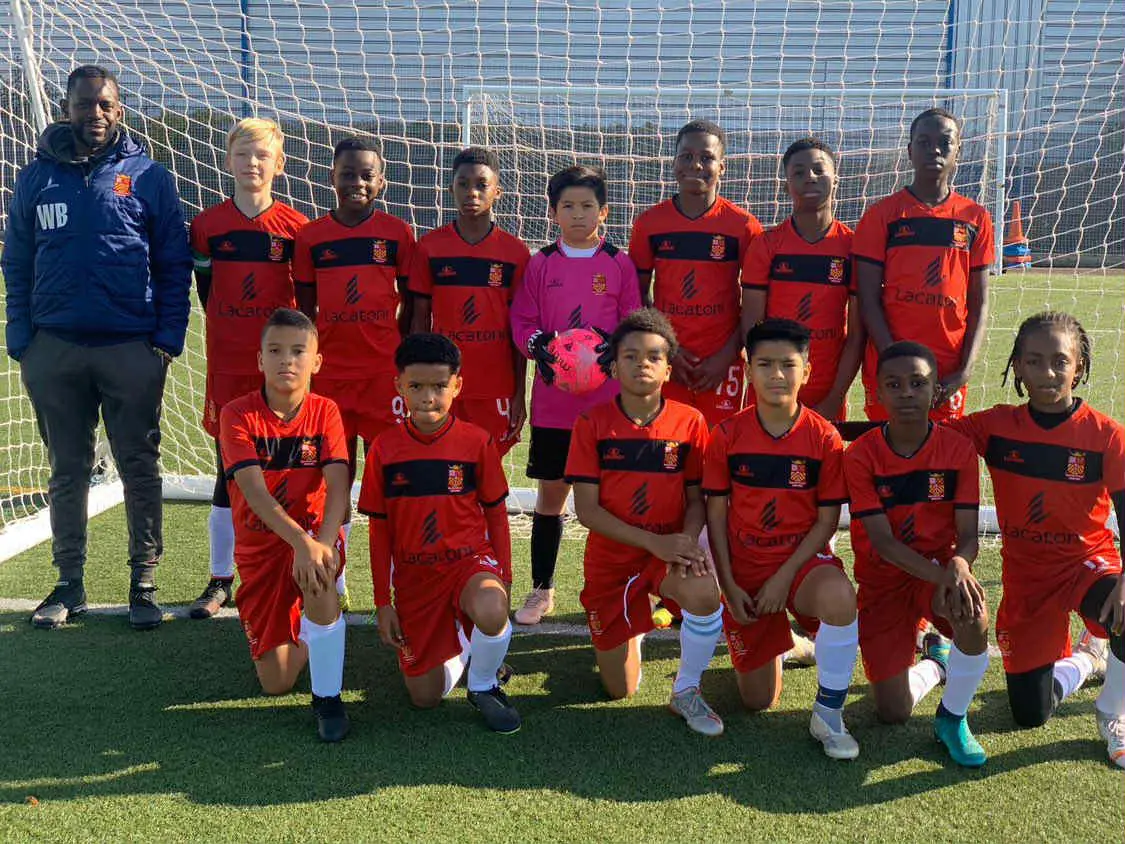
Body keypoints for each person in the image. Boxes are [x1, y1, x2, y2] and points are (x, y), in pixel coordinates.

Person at [3, 65, 192, 631]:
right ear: (67, 108)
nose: (96, 114)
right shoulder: (36, 178)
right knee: (67, 468)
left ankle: (143, 583)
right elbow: (16, 261)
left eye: (106, 104)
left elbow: (174, 264)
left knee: (139, 465)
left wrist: (165, 342)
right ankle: (69, 584)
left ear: (120, 111)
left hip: (130, 347)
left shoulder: (149, 176)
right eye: (86, 104)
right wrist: (23, 343)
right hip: (55, 349)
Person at [948, 312, 1124, 768]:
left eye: (1060, 361)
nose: (1048, 373)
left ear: (1079, 367)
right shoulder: (994, 427)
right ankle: (1088, 657)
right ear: (1018, 367)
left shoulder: (1107, 437)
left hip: (1087, 566)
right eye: (1035, 361)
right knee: (1029, 715)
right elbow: (921, 441)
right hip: (1027, 581)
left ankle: (1114, 713)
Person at [704, 319, 860, 759]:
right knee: (757, 702)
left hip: (801, 564)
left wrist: (783, 577)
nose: (776, 375)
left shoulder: (824, 437)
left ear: (807, 371)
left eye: (788, 365)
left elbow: (826, 522)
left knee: (841, 600)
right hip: (746, 569)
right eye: (765, 365)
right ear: (748, 369)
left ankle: (828, 716)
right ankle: (785, 643)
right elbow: (716, 517)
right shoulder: (727, 436)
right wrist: (728, 586)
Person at [565, 309, 725, 734]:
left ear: (668, 368)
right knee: (619, 690)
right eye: (631, 356)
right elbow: (587, 511)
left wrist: (686, 542)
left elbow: (697, 500)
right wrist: (653, 543)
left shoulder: (690, 422)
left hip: (668, 553)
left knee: (706, 594)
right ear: (614, 366)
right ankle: (632, 626)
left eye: (653, 356)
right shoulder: (591, 423)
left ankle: (686, 690)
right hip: (612, 561)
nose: (642, 364)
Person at [358, 333, 520, 733]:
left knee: (491, 606)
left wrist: (505, 578)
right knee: (424, 698)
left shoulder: (476, 441)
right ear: (399, 386)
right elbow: (378, 531)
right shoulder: (383, 448)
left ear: (457, 386)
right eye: (416, 386)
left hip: (468, 563)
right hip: (415, 577)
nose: (428, 396)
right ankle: (468, 649)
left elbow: (496, 514)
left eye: (439, 386)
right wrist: (383, 601)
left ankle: (483, 685)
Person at [845, 341, 990, 767]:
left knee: (975, 614)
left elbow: (968, 536)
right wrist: (944, 574)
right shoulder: (861, 455)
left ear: (935, 391)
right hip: (884, 582)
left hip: (937, 575)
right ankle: (936, 665)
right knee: (892, 713)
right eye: (895, 384)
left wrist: (960, 565)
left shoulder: (959, 451)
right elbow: (884, 544)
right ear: (877, 392)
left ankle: (953, 718)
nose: (907, 392)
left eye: (918, 383)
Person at [508, 165, 642, 625]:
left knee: (612, 500)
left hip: (607, 405)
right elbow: (522, 322)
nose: (579, 214)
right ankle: (541, 589)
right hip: (554, 405)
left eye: (588, 206)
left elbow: (633, 321)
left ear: (604, 212)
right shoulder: (541, 262)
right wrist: (539, 346)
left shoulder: (618, 263)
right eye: (569, 206)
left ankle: (615, 589)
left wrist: (610, 350)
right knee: (551, 497)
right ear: (553, 213)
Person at [188, 117, 309, 620]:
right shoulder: (207, 226)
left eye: (262, 156)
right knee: (228, 471)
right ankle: (220, 578)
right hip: (229, 367)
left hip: (279, 371)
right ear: (228, 161)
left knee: (288, 467)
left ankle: (294, 564)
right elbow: (206, 291)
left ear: (279, 165)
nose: (252, 164)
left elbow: (300, 303)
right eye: (243, 155)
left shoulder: (296, 228)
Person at [292, 137, 416, 608]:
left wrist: (396, 354)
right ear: (332, 178)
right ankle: (333, 573)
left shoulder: (398, 234)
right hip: (331, 382)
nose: (357, 183)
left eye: (367, 175)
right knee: (332, 482)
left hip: (384, 379)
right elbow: (304, 311)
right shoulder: (311, 238)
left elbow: (412, 306)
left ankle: (401, 577)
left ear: (381, 181)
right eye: (348, 173)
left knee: (393, 482)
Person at [219, 308, 350, 741]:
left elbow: (337, 483)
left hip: (312, 540)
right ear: (259, 360)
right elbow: (254, 493)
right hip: (262, 548)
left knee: (317, 574)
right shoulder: (236, 414)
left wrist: (324, 544)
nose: (286, 360)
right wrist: (299, 542)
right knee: (275, 682)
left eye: (298, 351)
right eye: (275, 351)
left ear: (316, 361)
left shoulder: (326, 411)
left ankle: (328, 699)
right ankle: (315, 624)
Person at [853, 107, 993, 423]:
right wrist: (893, 360)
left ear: (959, 149)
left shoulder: (976, 218)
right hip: (889, 365)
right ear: (910, 151)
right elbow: (868, 299)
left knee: (942, 460)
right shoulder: (882, 216)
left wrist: (964, 371)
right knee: (887, 454)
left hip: (947, 371)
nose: (935, 149)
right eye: (924, 142)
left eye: (945, 141)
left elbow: (979, 301)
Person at [629, 119, 763, 428]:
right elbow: (637, 295)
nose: (696, 164)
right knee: (666, 452)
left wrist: (728, 356)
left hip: (722, 364)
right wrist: (666, 348)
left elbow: (754, 302)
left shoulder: (743, 226)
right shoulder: (649, 224)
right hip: (666, 360)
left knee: (717, 453)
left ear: (722, 167)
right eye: (686, 156)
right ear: (674, 162)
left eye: (706, 157)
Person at [408, 146, 530, 455]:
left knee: (488, 471)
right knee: (442, 465)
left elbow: (519, 329)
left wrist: (519, 393)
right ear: (451, 188)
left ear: (497, 191)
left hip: (496, 387)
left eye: (481, 185)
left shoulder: (515, 253)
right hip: (443, 383)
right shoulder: (429, 248)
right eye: (463, 184)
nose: (471, 192)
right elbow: (420, 321)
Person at [741, 137, 863, 421]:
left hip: (827, 391)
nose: (810, 177)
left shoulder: (853, 247)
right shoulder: (766, 245)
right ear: (786, 185)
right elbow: (751, 326)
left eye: (819, 170)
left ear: (836, 181)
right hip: (771, 386)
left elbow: (857, 334)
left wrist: (835, 397)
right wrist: (766, 382)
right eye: (799, 172)